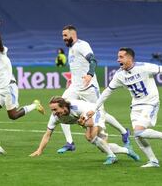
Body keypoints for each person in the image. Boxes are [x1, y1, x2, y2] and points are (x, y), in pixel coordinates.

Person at [94, 47, 162, 168]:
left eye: (121, 57)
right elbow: (107, 92)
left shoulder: (143, 67)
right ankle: (153, 161)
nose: (118, 60)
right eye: (118, 57)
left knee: (139, 131)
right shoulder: (119, 75)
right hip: (136, 106)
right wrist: (94, 108)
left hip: (150, 103)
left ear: (130, 58)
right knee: (138, 136)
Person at [56, 25, 130, 153]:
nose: (63, 38)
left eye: (65, 36)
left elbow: (93, 60)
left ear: (72, 35)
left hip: (89, 87)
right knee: (61, 108)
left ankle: (122, 132)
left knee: (99, 113)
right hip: (75, 87)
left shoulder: (82, 45)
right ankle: (69, 142)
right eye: (62, 36)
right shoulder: (71, 48)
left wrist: (90, 74)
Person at [29, 96, 140, 165]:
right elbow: (47, 134)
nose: (53, 112)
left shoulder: (77, 107)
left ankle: (112, 156)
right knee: (102, 146)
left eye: (55, 109)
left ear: (63, 107)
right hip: (85, 118)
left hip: (95, 111)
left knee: (90, 137)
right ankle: (126, 151)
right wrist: (39, 150)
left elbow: (91, 123)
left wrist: (82, 123)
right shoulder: (55, 117)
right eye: (52, 110)